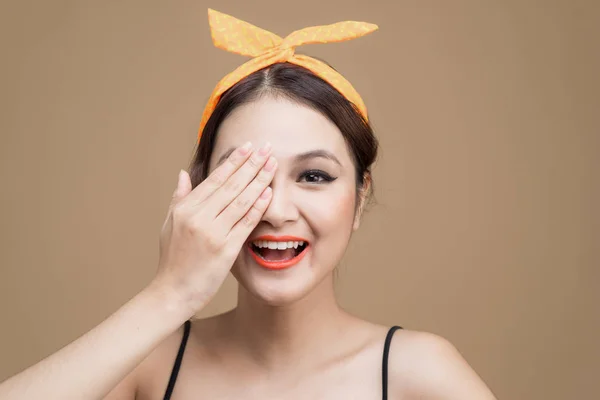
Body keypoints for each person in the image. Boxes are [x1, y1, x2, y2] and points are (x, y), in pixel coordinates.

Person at [0, 9, 497, 400]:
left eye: (315, 176)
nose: (276, 210)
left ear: (360, 196)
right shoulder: (149, 366)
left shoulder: (417, 371)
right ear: (198, 193)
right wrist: (168, 295)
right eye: (244, 176)